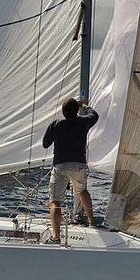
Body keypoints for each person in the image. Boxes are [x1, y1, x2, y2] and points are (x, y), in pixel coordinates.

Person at [44, 98, 100, 243]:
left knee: (55, 201)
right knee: (82, 191)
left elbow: (45, 144)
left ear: (63, 112)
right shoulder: (83, 122)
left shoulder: (56, 124)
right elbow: (95, 115)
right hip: (79, 165)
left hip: (61, 165)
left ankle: (56, 237)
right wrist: (84, 106)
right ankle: (91, 222)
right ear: (77, 111)